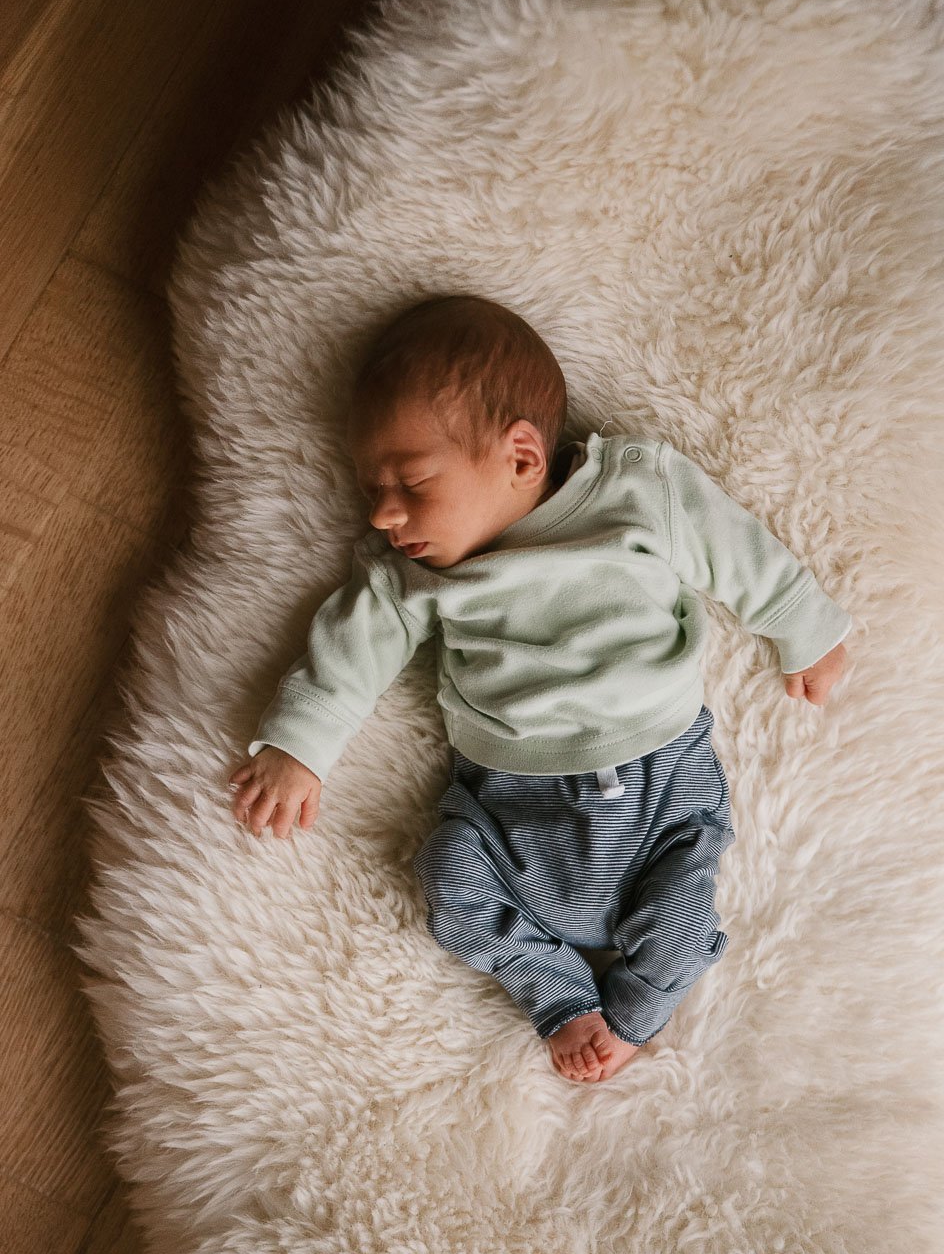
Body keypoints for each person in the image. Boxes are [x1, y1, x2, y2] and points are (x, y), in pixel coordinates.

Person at [227, 294, 851, 1083]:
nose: (386, 514)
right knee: (448, 883)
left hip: (657, 778)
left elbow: (730, 543)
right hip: (504, 806)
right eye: (371, 490)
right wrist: (300, 745)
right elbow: (352, 645)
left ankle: (632, 1017)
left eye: (412, 483)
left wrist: (801, 622)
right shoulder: (414, 573)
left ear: (521, 456)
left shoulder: (634, 493)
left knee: (685, 920)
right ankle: (556, 995)